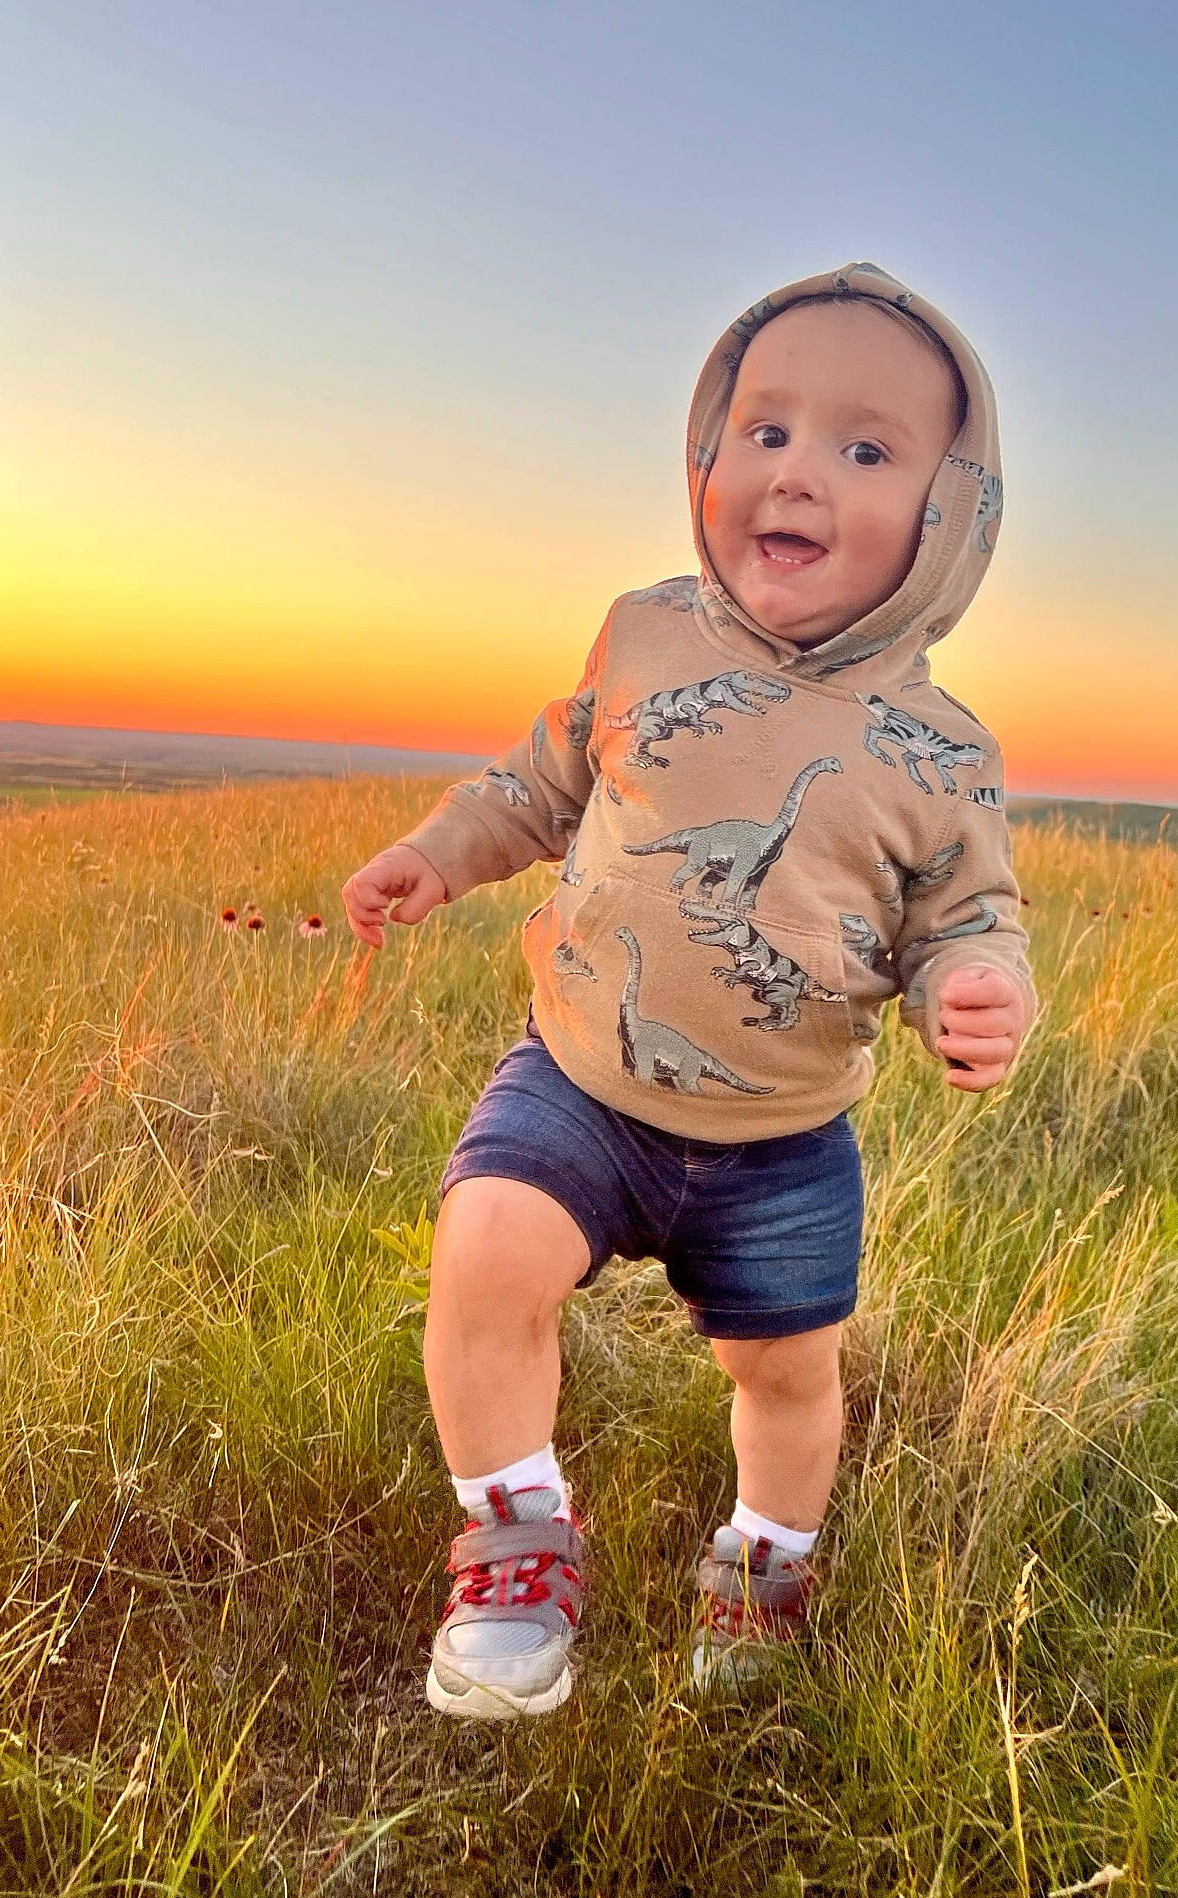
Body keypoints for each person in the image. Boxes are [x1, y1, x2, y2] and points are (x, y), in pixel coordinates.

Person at [342, 261, 1039, 1718]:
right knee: (484, 1252)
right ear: (705, 454)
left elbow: (966, 913)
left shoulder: (940, 746)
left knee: (788, 1380)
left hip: (783, 1140)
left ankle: (763, 1569)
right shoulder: (644, 635)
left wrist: (975, 985)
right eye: (764, 428)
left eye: (865, 449)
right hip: (582, 1077)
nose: (795, 474)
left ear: (949, 514)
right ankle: (517, 1547)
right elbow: (542, 779)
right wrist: (437, 852)